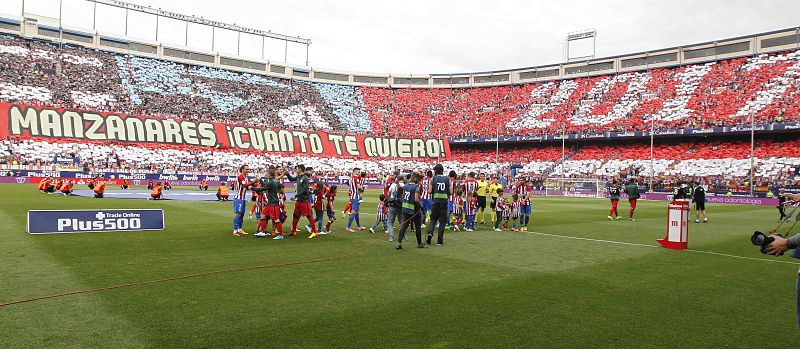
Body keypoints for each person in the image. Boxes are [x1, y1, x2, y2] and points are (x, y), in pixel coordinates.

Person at [251, 168, 287, 239]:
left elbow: (262, 188)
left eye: (267, 173)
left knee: (276, 219)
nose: (266, 174)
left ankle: (280, 235)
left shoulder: (271, 182)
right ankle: (263, 231)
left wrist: (251, 188)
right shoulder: (274, 180)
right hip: (270, 203)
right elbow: (266, 185)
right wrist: (260, 180)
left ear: (270, 175)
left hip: (273, 204)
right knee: (263, 215)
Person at [287, 164, 320, 239]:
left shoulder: (305, 178)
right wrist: (287, 174)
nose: (296, 169)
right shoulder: (299, 177)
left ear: (300, 169)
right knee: (295, 215)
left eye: (297, 168)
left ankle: (315, 232)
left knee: (309, 216)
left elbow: (305, 190)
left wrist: (295, 196)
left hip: (304, 201)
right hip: (299, 200)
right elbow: (292, 179)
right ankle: (293, 231)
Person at [397, 172, 425, 250]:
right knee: (418, 226)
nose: (419, 180)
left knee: (404, 226)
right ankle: (419, 243)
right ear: (416, 178)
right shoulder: (416, 187)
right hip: (414, 210)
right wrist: (421, 206)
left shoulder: (406, 186)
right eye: (419, 179)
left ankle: (399, 243)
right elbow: (416, 199)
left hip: (405, 208)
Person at [426, 164, 451, 246]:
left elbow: (429, 191)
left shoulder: (433, 179)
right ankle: (439, 241)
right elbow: (450, 192)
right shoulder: (447, 179)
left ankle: (430, 233)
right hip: (444, 201)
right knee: (442, 221)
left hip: (435, 201)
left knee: (433, 219)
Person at [232, 164, 254, 237]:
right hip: (239, 198)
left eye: (248, 169)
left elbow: (247, 187)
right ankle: (235, 230)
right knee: (238, 214)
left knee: (242, 214)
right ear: (242, 170)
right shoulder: (240, 176)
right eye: (246, 169)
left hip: (243, 198)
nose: (248, 170)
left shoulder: (246, 177)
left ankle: (240, 229)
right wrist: (254, 181)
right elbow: (245, 186)